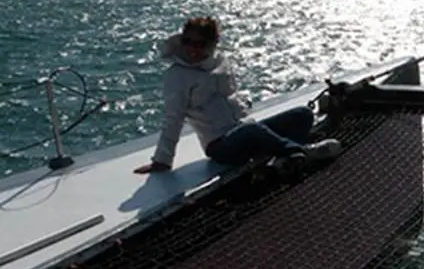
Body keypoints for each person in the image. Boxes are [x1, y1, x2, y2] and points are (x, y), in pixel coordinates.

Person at [134, 17, 342, 174]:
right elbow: (173, 119)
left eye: (200, 43)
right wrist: (162, 160)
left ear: (213, 43)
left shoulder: (220, 64)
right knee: (251, 130)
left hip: (243, 129)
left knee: (302, 114)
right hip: (221, 146)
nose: (193, 49)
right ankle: (302, 152)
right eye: (188, 42)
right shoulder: (177, 75)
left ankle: (283, 158)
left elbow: (232, 97)